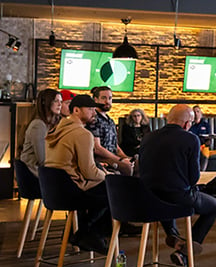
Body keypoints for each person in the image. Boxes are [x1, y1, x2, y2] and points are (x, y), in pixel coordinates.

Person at [138, 104, 216, 267]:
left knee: (163, 190)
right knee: (215, 207)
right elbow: (193, 178)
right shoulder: (191, 139)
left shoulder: (148, 137)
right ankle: (183, 253)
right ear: (187, 124)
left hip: (149, 198)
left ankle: (173, 235)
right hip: (176, 198)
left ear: (168, 119)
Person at [44, 94, 110, 252]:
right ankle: (86, 233)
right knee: (112, 190)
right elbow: (89, 172)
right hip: (71, 191)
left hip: (53, 190)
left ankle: (83, 234)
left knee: (103, 187)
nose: (94, 112)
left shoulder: (58, 129)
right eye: (90, 109)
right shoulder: (83, 134)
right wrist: (109, 177)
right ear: (76, 110)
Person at [87, 86, 132, 175]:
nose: (107, 101)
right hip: (101, 160)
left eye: (110, 98)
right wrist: (119, 160)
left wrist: (126, 158)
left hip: (114, 158)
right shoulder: (94, 120)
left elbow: (116, 147)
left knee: (139, 163)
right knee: (128, 168)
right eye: (104, 98)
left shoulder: (110, 121)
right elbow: (97, 148)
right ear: (95, 99)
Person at [19, 88, 61, 176]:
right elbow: (42, 159)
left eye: (61, 101)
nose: (60, 104)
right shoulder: (38, 125)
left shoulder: (48, 124)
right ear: (46, 103)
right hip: (33, 174)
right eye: (56, 101)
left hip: (39, 172)